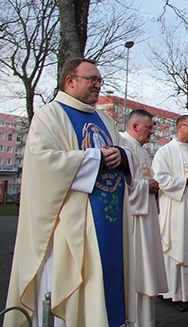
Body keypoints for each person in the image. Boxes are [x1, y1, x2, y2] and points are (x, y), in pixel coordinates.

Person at [4, 58, 135, 327]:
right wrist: (95, 159)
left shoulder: (104, 119)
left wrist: (122, 156)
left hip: (107, 224)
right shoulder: (50, 115)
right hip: (70, 226)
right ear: (70, 81)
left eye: (100, 80)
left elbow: (127, 151)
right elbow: (43, 162)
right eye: (92, 80)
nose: (98, 85)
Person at [151, 115, 188, 312]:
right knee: (176, 246)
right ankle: (175, 293)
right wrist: (184, 180)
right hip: (174, 209)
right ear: (180, 127)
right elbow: (160, 180)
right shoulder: (164, 152)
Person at [121, 109, 168, 327]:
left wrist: (151, 186)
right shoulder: (122, 146)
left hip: (146, 219)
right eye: (148, 128)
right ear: (135, 126)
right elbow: (121, 187)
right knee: (135, 273)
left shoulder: (140, 150)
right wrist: (145, 186)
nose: (152, 132)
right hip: (132, 224)